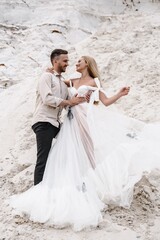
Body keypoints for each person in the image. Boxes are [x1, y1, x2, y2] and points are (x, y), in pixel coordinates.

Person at [10, 56, 160, 231]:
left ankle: (87, 186)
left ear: (87, 63)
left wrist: (120, 93)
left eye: (79, 61)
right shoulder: (71, 80)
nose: (75, 63)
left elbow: (104, 102)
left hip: (84, 118)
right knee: (66, 152)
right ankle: (64, 187)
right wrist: (47, 70)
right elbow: (56, 82)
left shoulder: (94, 81)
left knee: (85, 151)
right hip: (70, 121)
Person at [32, 49, 85, 185]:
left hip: (56, 124)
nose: (67, 63)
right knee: (43, 159)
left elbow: (70, 102)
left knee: (68, 148)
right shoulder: (46, 77)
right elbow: (47, 98)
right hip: (44, 121)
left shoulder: (62, 83)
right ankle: (38, 192)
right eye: (65, 61)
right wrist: (69, 102)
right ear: (55, 61)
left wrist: (84, 98)